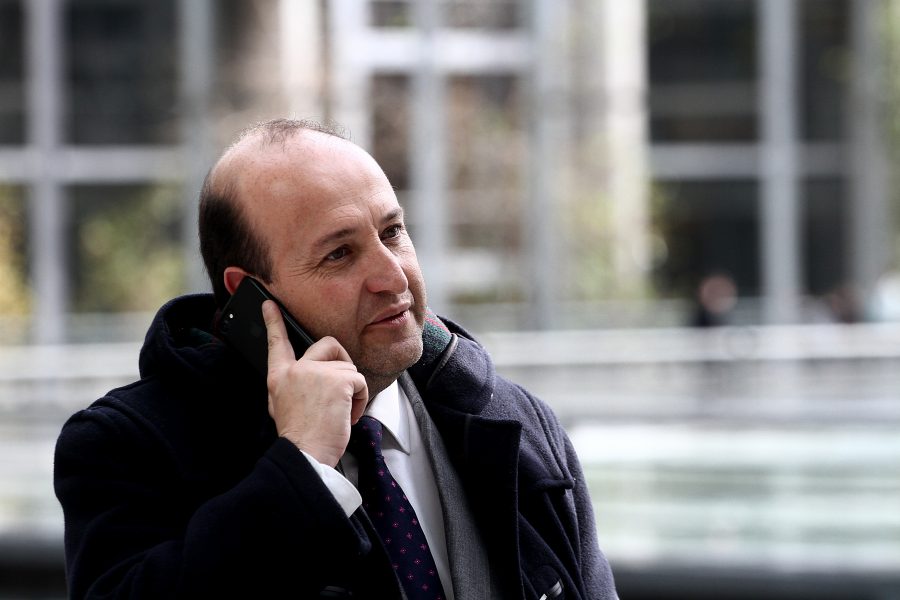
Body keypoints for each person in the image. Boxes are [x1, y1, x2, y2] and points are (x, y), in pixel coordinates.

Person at [54, 118, 618, 599]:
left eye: (393, 232)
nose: (392, 276)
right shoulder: (124, 447)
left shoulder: (517, 423)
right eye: (340, 253)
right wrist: (301, 471)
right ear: (251, 296)